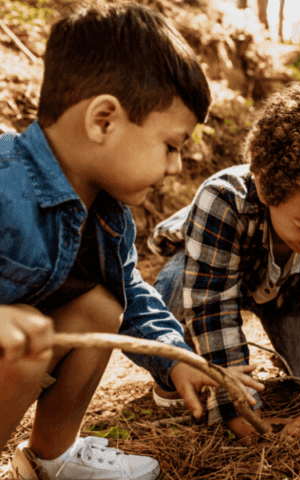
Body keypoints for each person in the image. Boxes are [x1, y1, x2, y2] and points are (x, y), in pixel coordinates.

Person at [0, 4, 227, 479]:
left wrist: (176, 359)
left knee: (104, 306)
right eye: (171, 145)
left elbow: (133, 298)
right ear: (104, 120)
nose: (176, 167)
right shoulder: (5, 181)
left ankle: (51, 458)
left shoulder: (109, 219)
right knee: (23, 347)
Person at [145, 76, 300, 441]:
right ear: (264, 188)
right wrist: (237, 403)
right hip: (217, 276)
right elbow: (212, 304)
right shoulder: (222, 201)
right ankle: (173, 377)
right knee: (175, 283)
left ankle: (290, 356)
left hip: (287, 296)